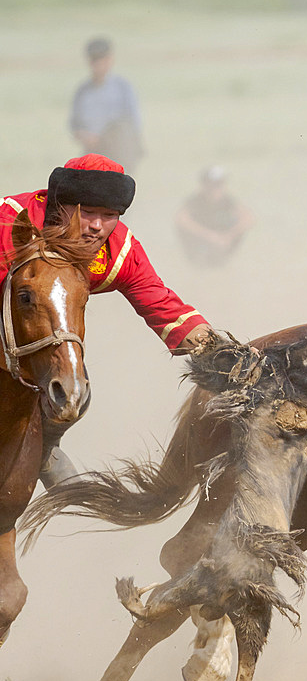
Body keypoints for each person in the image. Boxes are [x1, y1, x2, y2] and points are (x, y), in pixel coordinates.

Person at [0, 154, 213, 488]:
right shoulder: (10, 224)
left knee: (76, 385)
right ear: (62, 207)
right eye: (88, 213)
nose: (97, 226)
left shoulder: (119, 250)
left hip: (37, 333)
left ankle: (45, 445)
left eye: (109, 216)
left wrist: (217, 348)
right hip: (13, 322)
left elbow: (160, 302)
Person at [69, 37, 144, 173]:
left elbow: (133, 122)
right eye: (95, 60)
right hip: (93, 157)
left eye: (102, 60)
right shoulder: (83, 91)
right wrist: (84, 136)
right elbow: (75, 125)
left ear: (110, 60)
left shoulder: (122, 88)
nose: (99, 65)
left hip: (119, 154)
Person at [175, 165, 253, 266]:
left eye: (219, 184)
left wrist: (228, 236)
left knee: (235, 221)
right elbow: (181, 219)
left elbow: (248, 218)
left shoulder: (227, 201)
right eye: (212, 185)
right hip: (200, 242)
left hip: (222, 239)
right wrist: (210, 236)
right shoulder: (195, 201)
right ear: (204, 184)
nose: (215, 189)